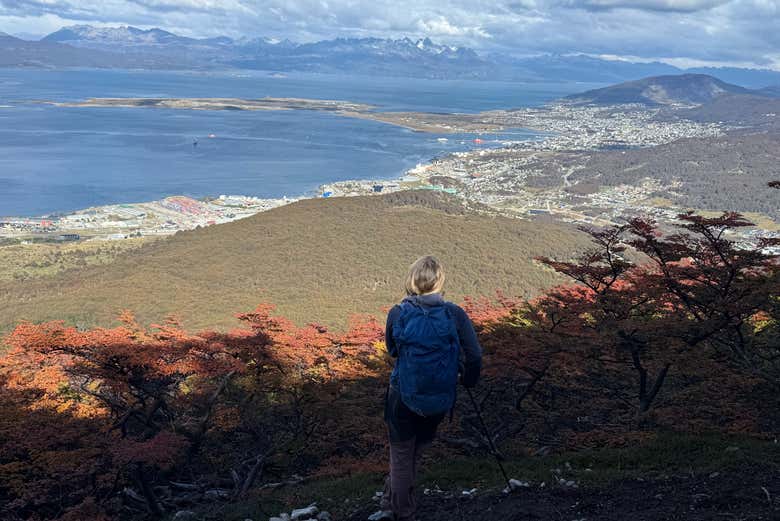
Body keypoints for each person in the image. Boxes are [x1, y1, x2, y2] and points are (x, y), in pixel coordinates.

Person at [379, 255, 482, 521]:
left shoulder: (398, 313)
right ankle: (393, 500)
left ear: (412, 280)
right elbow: (474, 355)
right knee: (414, 453)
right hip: (439, 398)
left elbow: (393, 350)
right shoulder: (454, 314)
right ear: (440, 281)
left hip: (403, 396)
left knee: (402, 454)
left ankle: (402, 511)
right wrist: (468, 379)